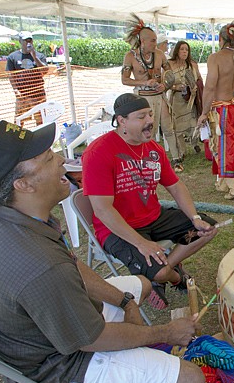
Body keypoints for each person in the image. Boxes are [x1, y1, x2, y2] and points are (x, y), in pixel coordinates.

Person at [0, 120, 204, 383]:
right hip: (56, 363)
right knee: (190, 381)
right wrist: (165, 333)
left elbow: (73, 266)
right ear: (23, 184)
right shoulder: (40, 265)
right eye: (48, 159)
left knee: (140, 285)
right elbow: (92, 337)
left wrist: (126, 301)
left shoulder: (16, 216)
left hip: (52, 329)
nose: (61, 161)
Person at [82, 93, 217, 308]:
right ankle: (173, 276)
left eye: (150, 114)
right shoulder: (98, 152)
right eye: (141, 116)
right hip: (118, 230)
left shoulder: (153, 149)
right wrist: (140, 243)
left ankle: (159, 276)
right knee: (162, 271)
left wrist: (195, 217)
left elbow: (176, 186)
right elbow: (102, 210)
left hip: (154, 218)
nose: (150, 121)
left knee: (208, 229)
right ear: (121, 120)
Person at [197, 20, 234, 200]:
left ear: (221, 39)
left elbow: (210, 87)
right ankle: (223, 182)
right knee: (228, 146)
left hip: (224, 110)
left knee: (227, 147)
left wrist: (204, 112)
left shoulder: (215, 58)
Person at [121, 15, 180, 168]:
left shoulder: (159, 55)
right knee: (148, 129)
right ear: (143, 41)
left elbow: (170, 74)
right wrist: (144, 82)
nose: (155, 43)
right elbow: (125, 80)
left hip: (159, 96)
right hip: (142, 99)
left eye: (155, 40)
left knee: (168, 127)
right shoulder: (130, 56)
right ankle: (149, 160)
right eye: (153, 40)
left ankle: (176, 158)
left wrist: (165, 85)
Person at [167, 41, 203, 171]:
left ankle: (194, 143)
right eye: (182, 49)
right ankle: (181, 151)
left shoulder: (192, 64)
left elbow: (199, 79)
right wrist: (176, 87)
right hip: (177, 100)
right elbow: (165, 83)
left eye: (186, 50)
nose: (184, 52)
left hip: (191, 99)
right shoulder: (169, 65)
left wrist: (195, 88)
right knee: (178, 128)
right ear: (177, 50)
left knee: (193, 123)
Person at [6, 31, 47, 125]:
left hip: (38, 94)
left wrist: (34, 57)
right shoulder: (12, 57)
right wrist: (15, 89)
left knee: (40, 119)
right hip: (23, 94)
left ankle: (40, 138)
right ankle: (17, 138)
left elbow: (45, 71)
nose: (29, 43)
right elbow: (10, 75)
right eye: (26, 41)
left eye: (30, 40)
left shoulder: (39, 56)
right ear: (20, 41)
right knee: (20, 119)